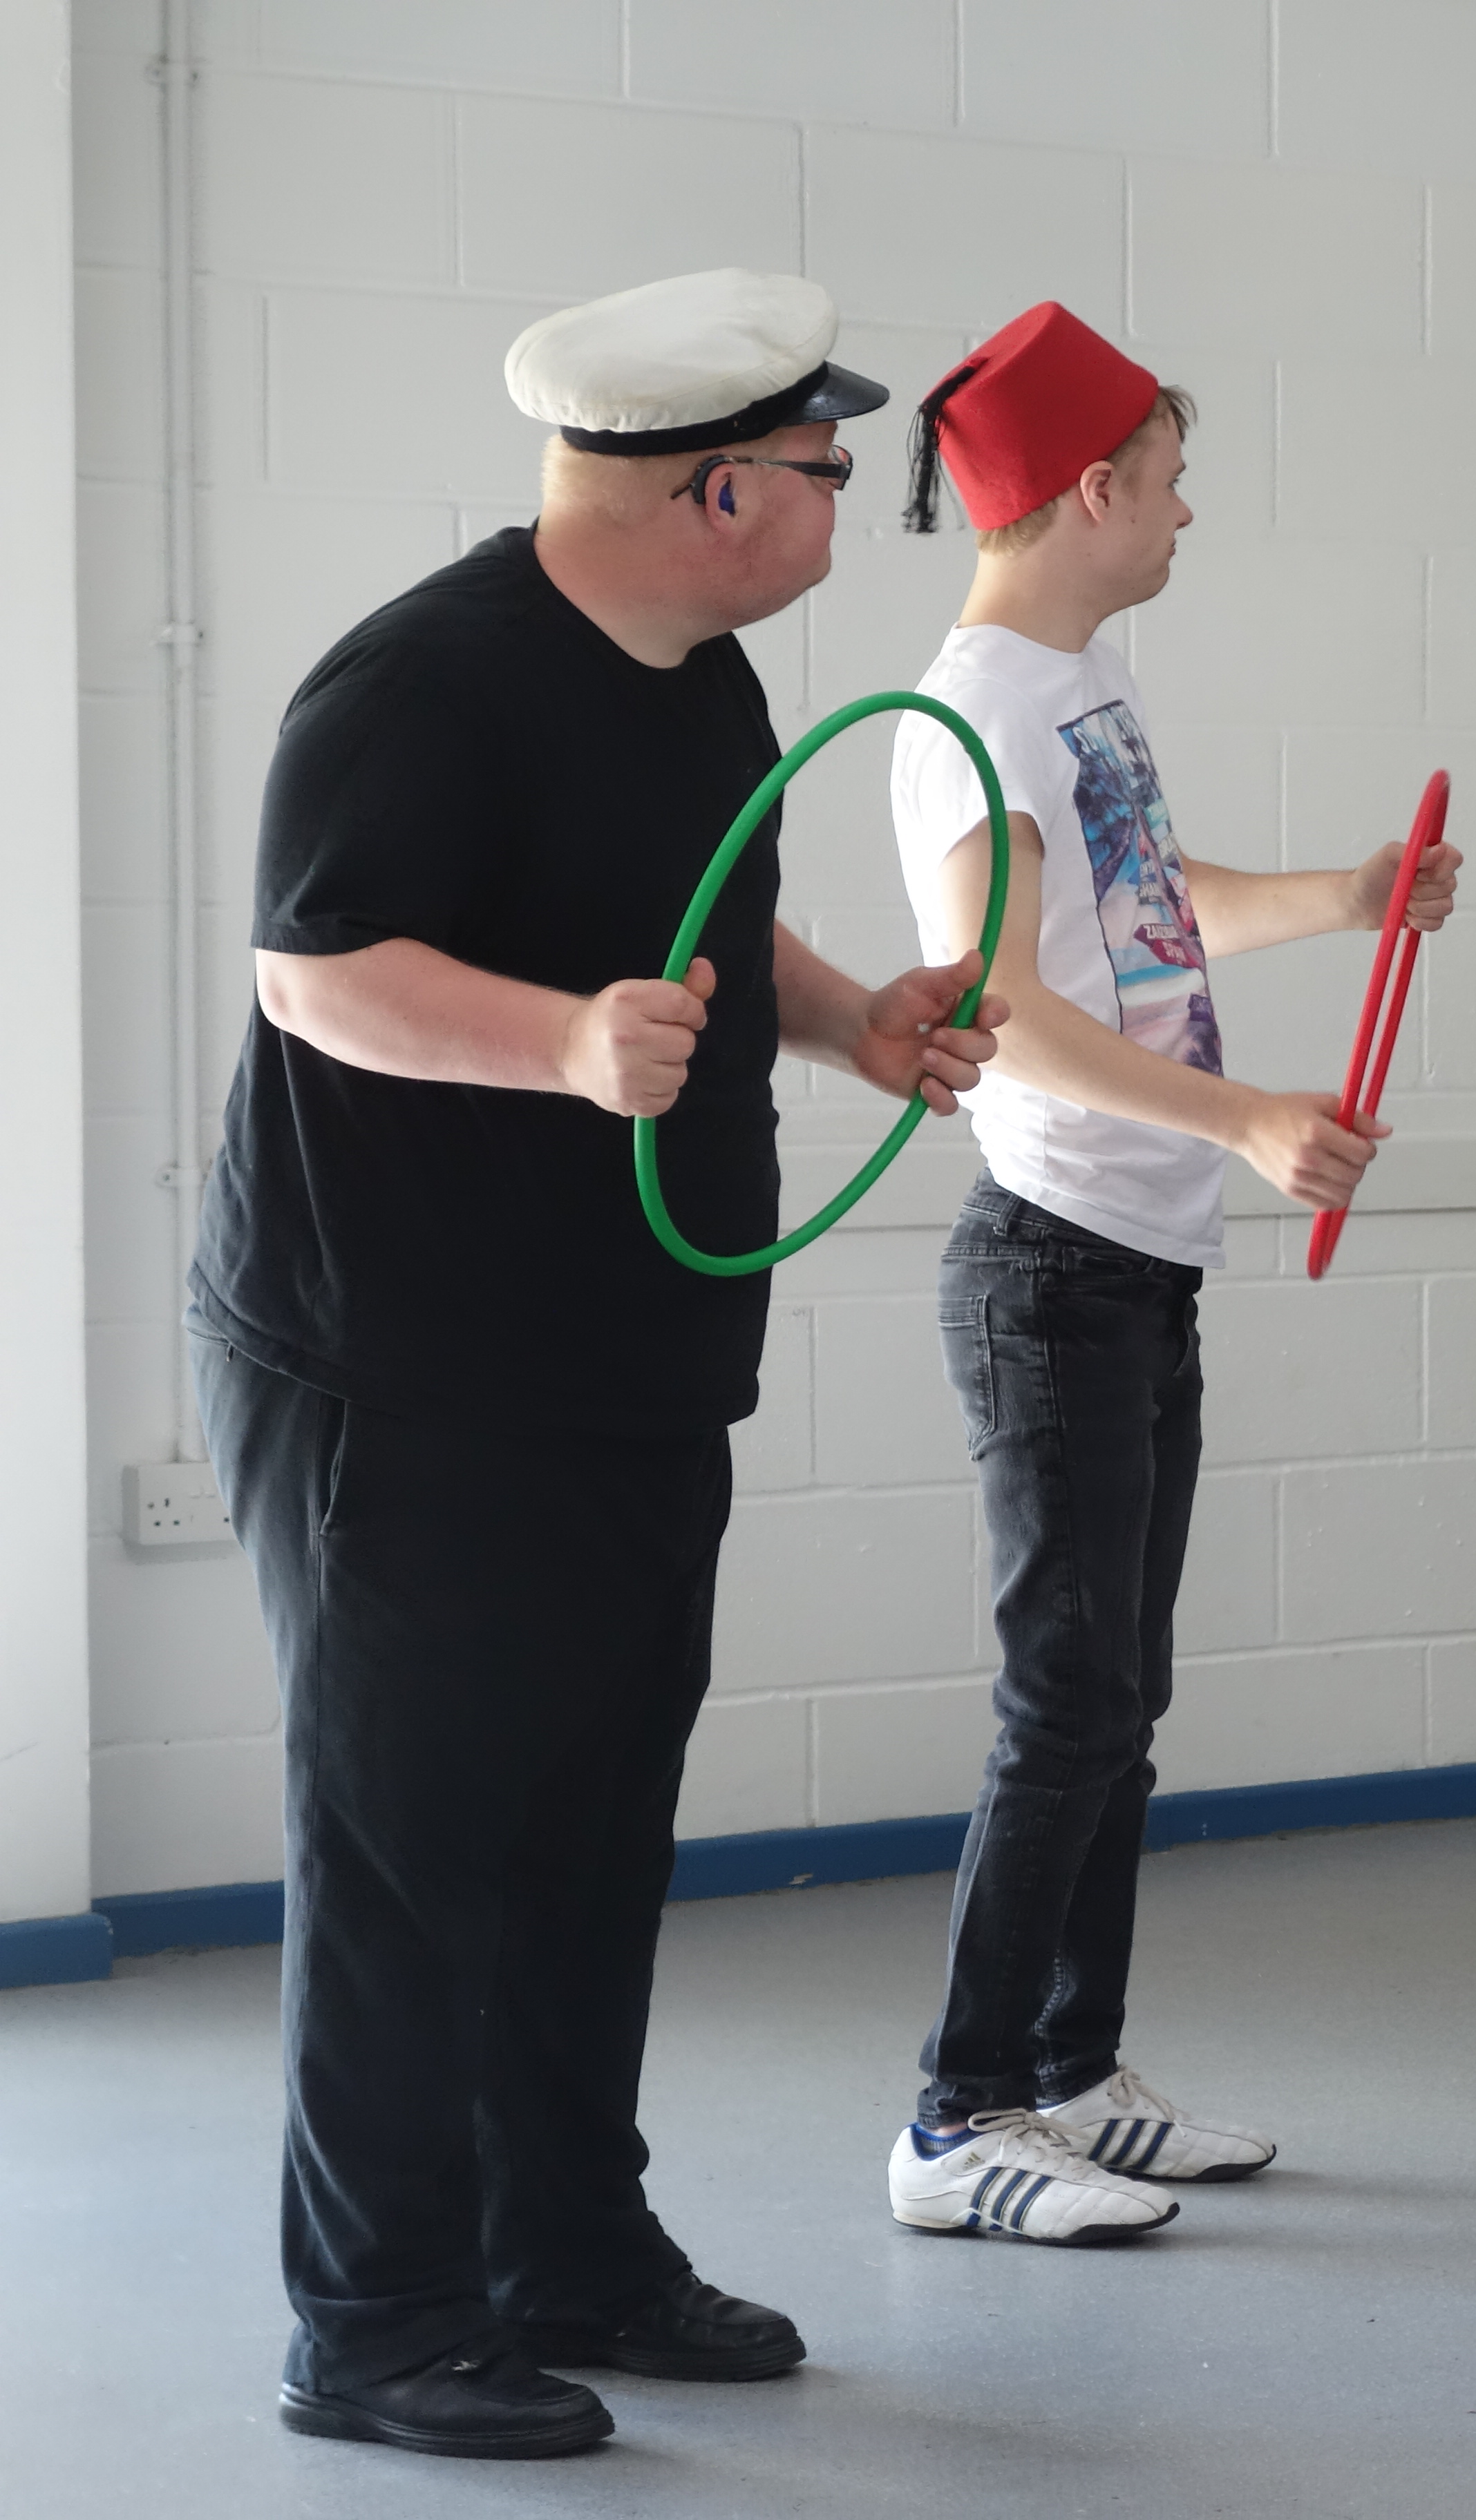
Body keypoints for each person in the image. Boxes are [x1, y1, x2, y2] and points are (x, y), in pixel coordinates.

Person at [192, 269, 1010, 2459]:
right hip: (407, 1370)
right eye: (833, 468)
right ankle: (374, 2324)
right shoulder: (419, 685)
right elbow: (318, 979)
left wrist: (853, 1027)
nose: (853, 496)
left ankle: (569, 2248)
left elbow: (715, 921)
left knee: (585, 1825)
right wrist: (561, 1046)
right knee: (410, 1844)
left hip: (630, 1358)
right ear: (717, 483)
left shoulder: (704, 678)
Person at [878, 303, 1461, 2242]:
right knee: (1067, 1700)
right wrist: (1245, 1124)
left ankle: (1070, 2074)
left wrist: (1351, 896)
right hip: (1051, 1267)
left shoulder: (1083, 685)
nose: (1191, 510)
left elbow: (1153, 898)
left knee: (1119, 1699)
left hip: (1137, 1266)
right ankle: (958, 2123)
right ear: (1091, 486)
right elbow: (1001, 1000)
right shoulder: (978, 710)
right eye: (1173, 474)